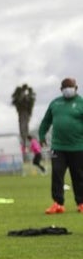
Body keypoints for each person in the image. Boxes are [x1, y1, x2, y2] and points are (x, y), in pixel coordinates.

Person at [37, 77, 83, 213]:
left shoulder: (81, 103)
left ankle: (81, 203)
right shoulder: (55, 103)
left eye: (71, 86)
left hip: (78, 147)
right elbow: (46, 122)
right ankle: (58, 203)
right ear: (61, 89)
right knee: (57, 174)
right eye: (66, 87)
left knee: (79, 175)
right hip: (57, 147)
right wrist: (41, 135)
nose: (68, 89)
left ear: (76, 88)